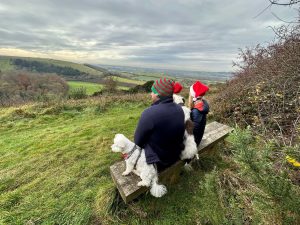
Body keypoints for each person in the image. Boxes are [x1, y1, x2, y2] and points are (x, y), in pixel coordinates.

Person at [134, 78, 185, 172]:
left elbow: (138, 141)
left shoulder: (149, 113)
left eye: (152, 92)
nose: (150, 94)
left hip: (159, 162)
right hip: (175, 156)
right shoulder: (179, 109)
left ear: (157, 94)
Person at [189, 81, 210, 146]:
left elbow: (195, 130)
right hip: (197, 139)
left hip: (193, 143)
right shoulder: (203, 103)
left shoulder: (196, 111)